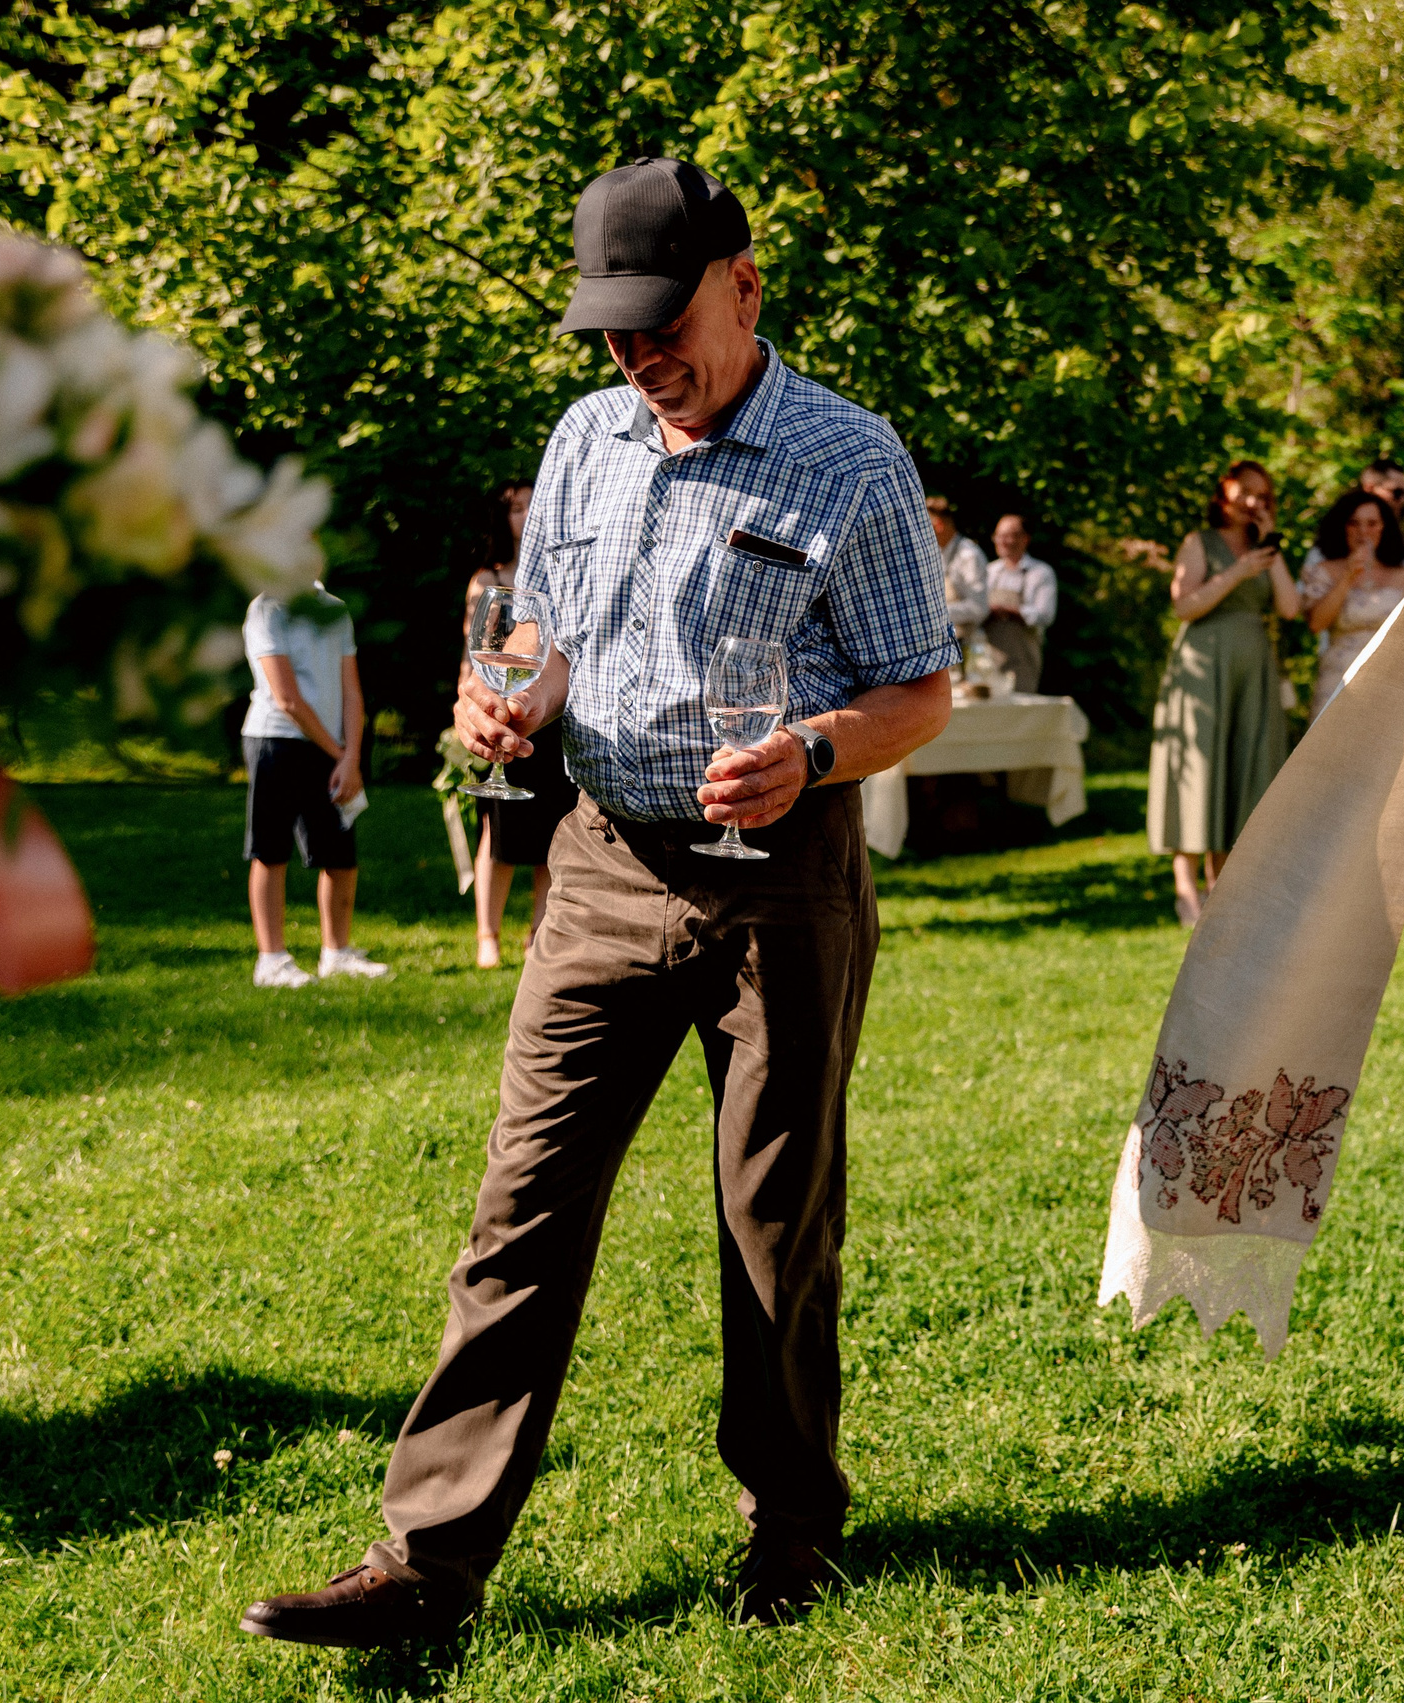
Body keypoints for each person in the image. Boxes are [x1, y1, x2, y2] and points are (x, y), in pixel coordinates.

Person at [238, 156, 959, 1647]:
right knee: (523, 1205)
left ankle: (790, 1524)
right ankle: (428, 1558)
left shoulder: (851, 457)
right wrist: (500, 696)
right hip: (602, 868)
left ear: (745, 288)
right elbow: (544, 625)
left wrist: (818, 750)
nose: (641, 356)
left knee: (776, 1216)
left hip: (783, 887)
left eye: (664, 319)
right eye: (615, 331)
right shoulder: (585, 439)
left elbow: (920, 686)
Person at [1147, 460, 1301, 926]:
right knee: (1198, 769)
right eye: (1246, 491)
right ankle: (1184, 890)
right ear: (1225, 493)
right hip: (1203, 667)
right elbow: (1184, 605)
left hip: (1251, 669)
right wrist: (1237, 572)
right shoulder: (1199, 543)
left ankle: (1224, 888)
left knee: (1241, 769)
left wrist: (1270, 546)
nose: (1254, 500)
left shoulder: (1265, 548)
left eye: (1263, 494)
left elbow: (1291, 608)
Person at [240, 580, 388, 987]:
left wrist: (351, 756)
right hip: (275, 740)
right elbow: (286, 698)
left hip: (334, 748)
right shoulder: (267, 608)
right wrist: (340, 752)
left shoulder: (334, 610)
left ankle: (336, 953)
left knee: (339, 854)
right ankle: (271, 961)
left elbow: (352, 692)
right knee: (270, 851)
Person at [464, 480, 577, 968]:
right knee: (500, 828)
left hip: (550, 715)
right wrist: (469, 711)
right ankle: (487, 934)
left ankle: (538, 931)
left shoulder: (561, 576)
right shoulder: (487, 581)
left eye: (532, 504)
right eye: (515, 508)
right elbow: (473, 658)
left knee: (550, 827)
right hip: (500, 712)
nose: (525, 514)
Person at [1301, 489, 1404, 714]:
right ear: (1343, 527)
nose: (1363, 531)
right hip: (1338, 681)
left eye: (1372, 523)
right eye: (1354, 523)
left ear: (1384, 527)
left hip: (1389, 684)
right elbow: (1316, 624)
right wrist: (1347, 577)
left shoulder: (1403, 577)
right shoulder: (1324, 572)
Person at [981, 513, 1058, 692]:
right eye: (999, 536)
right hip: (988, 661)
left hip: (1023, 662)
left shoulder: (1040, 572)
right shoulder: (990, 571)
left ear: (1025, 539)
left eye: (1009, 535)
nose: (1003, 541)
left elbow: (1045, 616)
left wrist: (1009, 611)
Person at [930, 494, 989, 648]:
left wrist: (934, 614)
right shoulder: (936, 553)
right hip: (945, 643)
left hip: (969, 646)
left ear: (939, 525)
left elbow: (979, 608)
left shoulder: (969, 555)